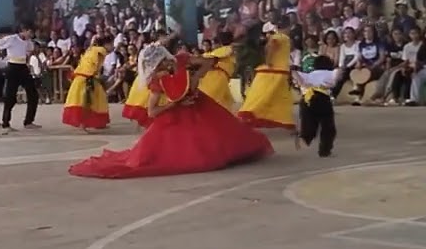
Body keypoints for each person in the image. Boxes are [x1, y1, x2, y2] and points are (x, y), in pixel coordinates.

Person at [69, 44, 273, 179]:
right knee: (163, 155)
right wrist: (175, 104)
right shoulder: (158, 81)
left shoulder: (182, 60)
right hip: (175, 115)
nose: (162, 68)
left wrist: (195, 79)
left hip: (201, 106)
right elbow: (152, 111)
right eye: (157, 66)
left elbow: (209, 62)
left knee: (225, 136)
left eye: (162, 64)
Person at [237, 23, 295, 129]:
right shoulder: (280, 37)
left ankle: (264, 116)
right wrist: (268, 61)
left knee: (273, 95)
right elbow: (271, 46)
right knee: (265, 95)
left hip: (274, 70)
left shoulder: (278, 37)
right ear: (287, 27)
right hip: (274, 71)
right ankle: (250, 113)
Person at [293, 55, 338, 158]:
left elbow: (295, 74)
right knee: (328, 126)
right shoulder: (330, 73)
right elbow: (338, 72)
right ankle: (324, 151)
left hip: (307, 99)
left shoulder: (308, 75)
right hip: (322, 98)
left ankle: (305, 137)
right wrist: (333, 83)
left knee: (308, 123)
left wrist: (299, 79)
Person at [62, 36, 110, 132]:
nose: (111, 46)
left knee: (92, 100)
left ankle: (95, 123)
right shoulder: (100, 50)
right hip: (87, 78)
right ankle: (85, 123)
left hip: (81, 77)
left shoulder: (90, 50)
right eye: (110, 44)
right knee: (88, 101)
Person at [0, 25, 41, 131]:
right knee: (10, 96)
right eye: (30, 32)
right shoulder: (12, 39)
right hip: (12, 67)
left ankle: (28, 121)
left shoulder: (28, 42)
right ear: (24, 30)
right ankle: (5, 123)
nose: (31, 35)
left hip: (23, 67)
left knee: (33, 94)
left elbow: (30, 51)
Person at [197, 31, 237, 109]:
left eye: (214, 43)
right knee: (224, 103)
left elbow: (211, 56)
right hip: (220, 77)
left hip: (216, 77)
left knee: (210, 100)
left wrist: (201, 57)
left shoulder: (226, 49)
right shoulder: (228, 49)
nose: (213, 45)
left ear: (220, 42)